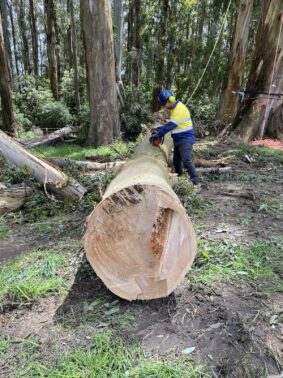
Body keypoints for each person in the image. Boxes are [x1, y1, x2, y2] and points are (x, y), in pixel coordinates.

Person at [150, 89, 200, 191]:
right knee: (176, 160)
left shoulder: (179, 109)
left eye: (164, 104)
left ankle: (196, 182)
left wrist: (159, 134)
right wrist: (160, 129)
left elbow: (171, 125)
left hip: (185, 139)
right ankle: (179, 178)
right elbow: (172, 124)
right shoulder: (175, 108)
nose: (165, 107)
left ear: (168, 101)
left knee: (186, 160)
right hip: (178, 139)